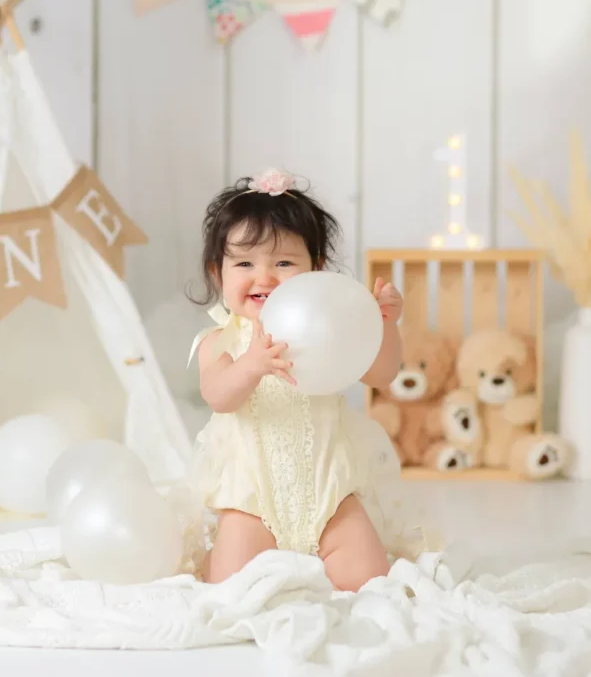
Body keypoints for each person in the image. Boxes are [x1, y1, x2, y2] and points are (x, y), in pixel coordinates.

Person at [183, 167, 430, 592]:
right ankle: (220, 557)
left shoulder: (328, 332)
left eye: (283, 262)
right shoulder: (221, 341)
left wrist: (384, 324)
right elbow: (218, 396)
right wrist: (251, 365)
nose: (264, 277)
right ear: (217, 274)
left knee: (371, 584)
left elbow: (381, 374)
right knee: (231, 589)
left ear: (316, 269)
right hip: (252, 500)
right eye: (244, 263)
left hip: (328, 493)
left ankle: (332, 557)